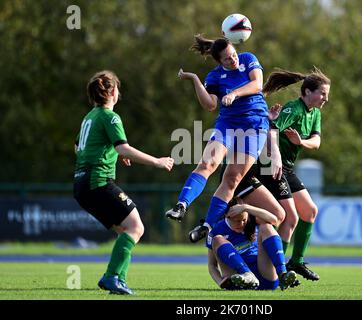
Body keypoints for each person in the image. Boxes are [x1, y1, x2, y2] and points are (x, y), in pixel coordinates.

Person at [73, 70, 174, 295]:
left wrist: (114, 153)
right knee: (136, 227)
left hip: (81, 184)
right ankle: (111, 277)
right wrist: (157, 161)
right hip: (97, 181)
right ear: (112, 92)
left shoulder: (90, 116)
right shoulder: (111, 116)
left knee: (126, 230)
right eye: (118, 88)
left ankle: (119, 280)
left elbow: (79, 147)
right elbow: (123, 146)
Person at [165, 35, 269, 243]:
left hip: (255, 126)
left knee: (232, 178)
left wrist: (235, 94)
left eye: (234, 55)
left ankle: (207, 226)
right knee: (207, 163)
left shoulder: (248, 58)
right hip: (228, 124)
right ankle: (181, 205)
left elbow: (257, 84)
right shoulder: (214, 77)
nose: (233, 60)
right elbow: (211, 105)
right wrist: (195, 80)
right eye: (228, 59)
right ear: (219, 62)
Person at [261, 67, 331, 281]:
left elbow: (316, 142)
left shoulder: (315, 113)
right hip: (272, 167)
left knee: (309, 212)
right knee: (289, 218)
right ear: (308, 91)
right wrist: (274, 158)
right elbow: (270, 128)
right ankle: (276, 267)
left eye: (327, 95)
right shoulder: (293, 109)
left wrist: (301, 142)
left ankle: (296, 262)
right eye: (322, 94)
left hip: (287, 168)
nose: (325, 99)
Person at [207, 200, 298, 291]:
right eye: (237, 221)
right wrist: (220, 282)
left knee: (267, 226)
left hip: (265, 275)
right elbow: (212, 265)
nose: (242, 224)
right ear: (227, 216)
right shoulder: (217, 229)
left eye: (244, 220)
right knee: (217, 239)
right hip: (238, 280)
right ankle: (247, 274)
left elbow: (275, 220)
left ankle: (282, 274)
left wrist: (247, 207)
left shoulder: (253, 220)